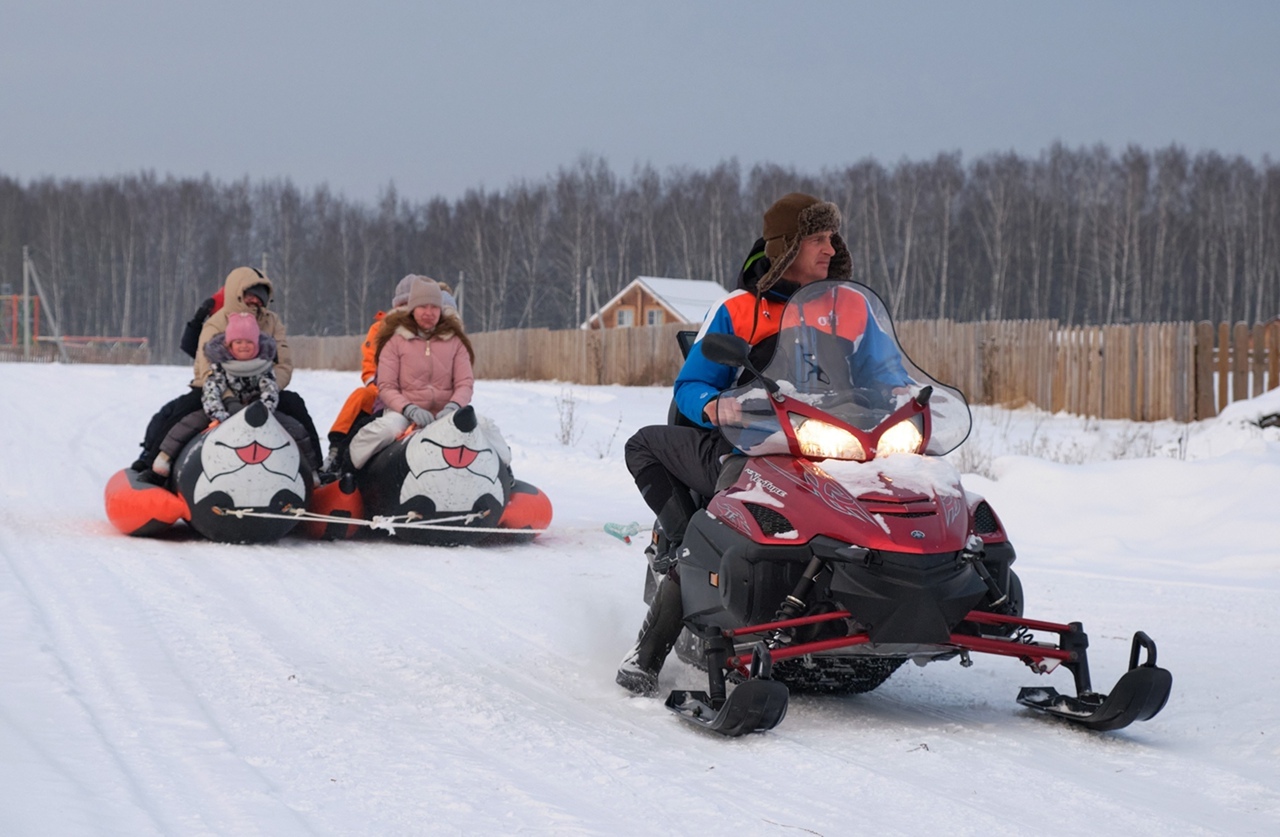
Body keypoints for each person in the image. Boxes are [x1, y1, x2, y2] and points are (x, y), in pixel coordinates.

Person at [615, 191, 907, 696]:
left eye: (832, 236)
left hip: (839, 448)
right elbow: (690, 386)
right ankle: (648, 650)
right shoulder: (739, 309)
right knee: (708, 525)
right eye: (817, 237)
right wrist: (715, 405)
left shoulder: (853, 310)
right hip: (754, 445)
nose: (829, 247)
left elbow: (887, 374)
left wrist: (901, 398)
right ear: (786, 246)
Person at [130, 267, 322, 473]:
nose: (257, 302)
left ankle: (316, 468)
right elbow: (205, 370)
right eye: (252, 296)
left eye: (262, 297)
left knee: (295, 405)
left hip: (262, 388)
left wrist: (268, 391)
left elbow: (283, 364)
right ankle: (154, 463)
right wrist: (229, 400)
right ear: (237, 295)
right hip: (219, 388)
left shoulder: (271, 322)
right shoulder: (216, 323)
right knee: (184, 410)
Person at [146, 312, 318, 482]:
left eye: (249, 342)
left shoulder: (263, 366)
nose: (244, 346)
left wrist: (262, 412)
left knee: (294, 428)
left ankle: (311, 470)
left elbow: (270, 390)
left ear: (257, 345)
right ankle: (165, 456)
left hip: (257, 410)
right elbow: (211, 390)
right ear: (229, 345)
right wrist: (218, 414)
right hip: (225, 409)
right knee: (190, 422)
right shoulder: (222, 365)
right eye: (238, 342)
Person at [321, 276, 462, 476]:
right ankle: (339, 455)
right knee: (361, 401)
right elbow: (372, 365)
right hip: (384, 392)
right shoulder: (384, 330)